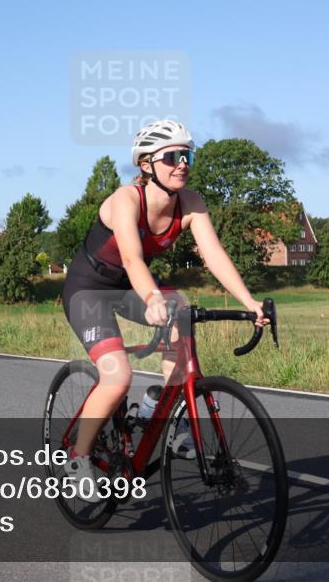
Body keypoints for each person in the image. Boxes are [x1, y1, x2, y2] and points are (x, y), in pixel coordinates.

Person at [60, 119, 269, 499]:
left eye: (187, 155)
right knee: (117, 377)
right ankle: (79, 457)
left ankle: (169, 414)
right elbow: (132, 257)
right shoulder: (126, 201)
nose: (182, 163)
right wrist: (153, 298)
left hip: (127, 288)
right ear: (146, 165)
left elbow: (215, 256)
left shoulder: (190, 202)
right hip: (88, 290)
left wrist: (250, 301)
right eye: (172, 156)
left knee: (182, 310)